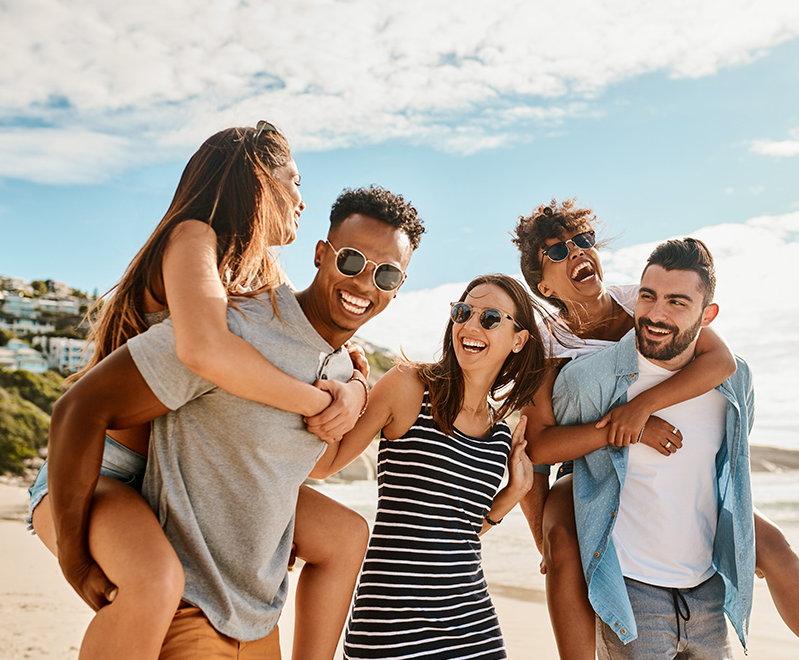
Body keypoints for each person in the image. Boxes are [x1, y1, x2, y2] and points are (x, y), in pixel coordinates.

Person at [28, 123, 371, 660]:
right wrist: (316, 403)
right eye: (294, 181)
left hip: (181, 472)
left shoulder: (252, 276)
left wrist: (356, 388)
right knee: (156, 582)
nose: (304, 200)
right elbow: (205, 350)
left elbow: (311, 353)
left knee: (343, 534)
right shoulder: (194, 237)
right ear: (257, 180)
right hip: (102, 469)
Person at [513, 200, 799, 659]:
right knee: (562, 542)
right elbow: (534, 453)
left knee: (773, 545)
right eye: (556, 252)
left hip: (665, 455)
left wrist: (642, 408)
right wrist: (542, 538)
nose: (577, 252)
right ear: (542, 284)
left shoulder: (636, 299)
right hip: (586, 462)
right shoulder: (546, 346)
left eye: (582, 241)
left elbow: (721, 361)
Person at [310, 273, 548, 660]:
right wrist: (353, 383)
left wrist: (512, 495)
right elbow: (326, 464)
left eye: (490, 318)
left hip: (474, 624)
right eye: (464, 312)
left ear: (518, 340)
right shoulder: (409, 386)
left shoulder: (500, 435)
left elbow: (459, 535)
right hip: (390, 624)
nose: (470, 326)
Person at [550, 237, 753, 657]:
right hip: (630, 591)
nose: (656, 314)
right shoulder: (589, 379)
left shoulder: (734, 380)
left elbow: (728, 464)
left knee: (781, 554)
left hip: (707, 593)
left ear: (707, 315)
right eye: (648, 296)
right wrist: (545, 543)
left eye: (678, 302)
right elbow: (538, 454)